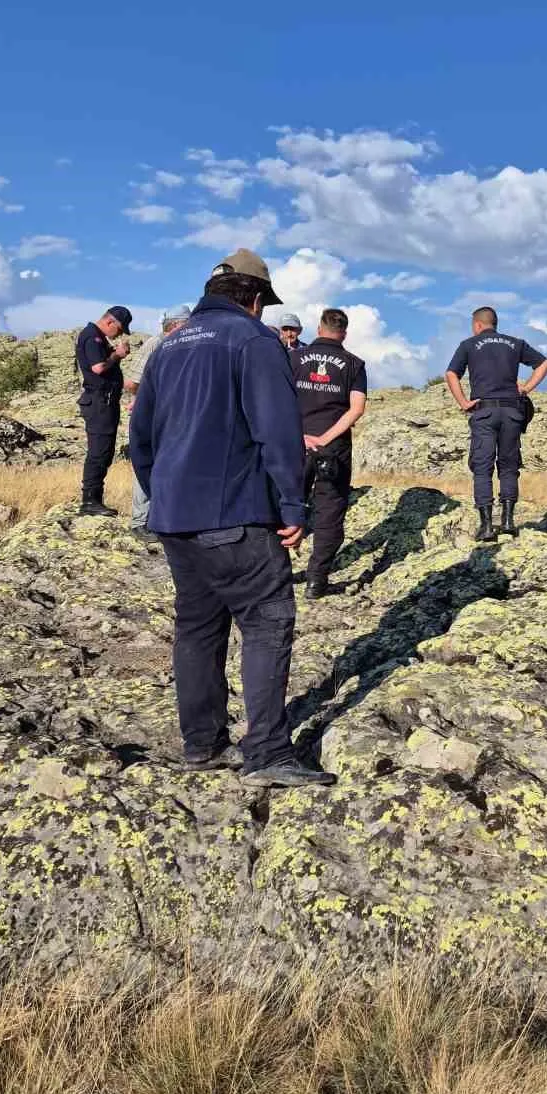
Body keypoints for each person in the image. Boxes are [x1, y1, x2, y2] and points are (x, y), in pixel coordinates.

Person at [130, 248, 334, 789]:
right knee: (267, 620)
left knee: (197, 627)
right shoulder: (254, 340)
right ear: (255, 298)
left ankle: (203, 744)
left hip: (175, 518)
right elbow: (276, 430)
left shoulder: (168, 347)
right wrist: (293, 505)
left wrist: (164, 496)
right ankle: (266, 751)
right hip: (236, 514)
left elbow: (141, 439)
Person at [445, 306, 547, 541]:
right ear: (495, 323)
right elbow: (544, 364)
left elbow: (451, 374)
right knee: (509, 465)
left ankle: (486, 527)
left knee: (482, 467)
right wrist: (525, 388)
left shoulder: (468, 345)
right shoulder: (515, 343)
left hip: (484, 412)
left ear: (477, 325)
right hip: (512, 411)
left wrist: (463, 402)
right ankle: (508, 522)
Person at [290, 307, 368, 598]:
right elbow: (357, 408)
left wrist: (299, 435)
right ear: (344, 332)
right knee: (329, 513)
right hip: (333, 449)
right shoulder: (354, 364)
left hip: (293, 444)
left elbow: (278, 399)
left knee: (282, 504)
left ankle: (275, 574)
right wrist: (326, 437)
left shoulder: (293, 358)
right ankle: (316, 580)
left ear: (319, 329)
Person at [123, 305, 192, 534]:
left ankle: (163, 519)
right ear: (175, 325)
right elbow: (131, 383)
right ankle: (140, 522)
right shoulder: (156, 343)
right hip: (151, 417)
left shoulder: (184, 345)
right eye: (187, 324)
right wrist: (149, 401)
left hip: (173, 417)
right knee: (147, 464)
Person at [74, 305, 133, 516]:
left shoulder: (97, 337)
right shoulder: (92, 337)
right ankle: (89, 501)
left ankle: (94, 499)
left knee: (104, 451)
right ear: (110, 322)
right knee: (99, 452)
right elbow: (98, 368)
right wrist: (116, 355)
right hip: (99, 402)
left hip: (104, 402)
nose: (118, 334)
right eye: (119, 329)